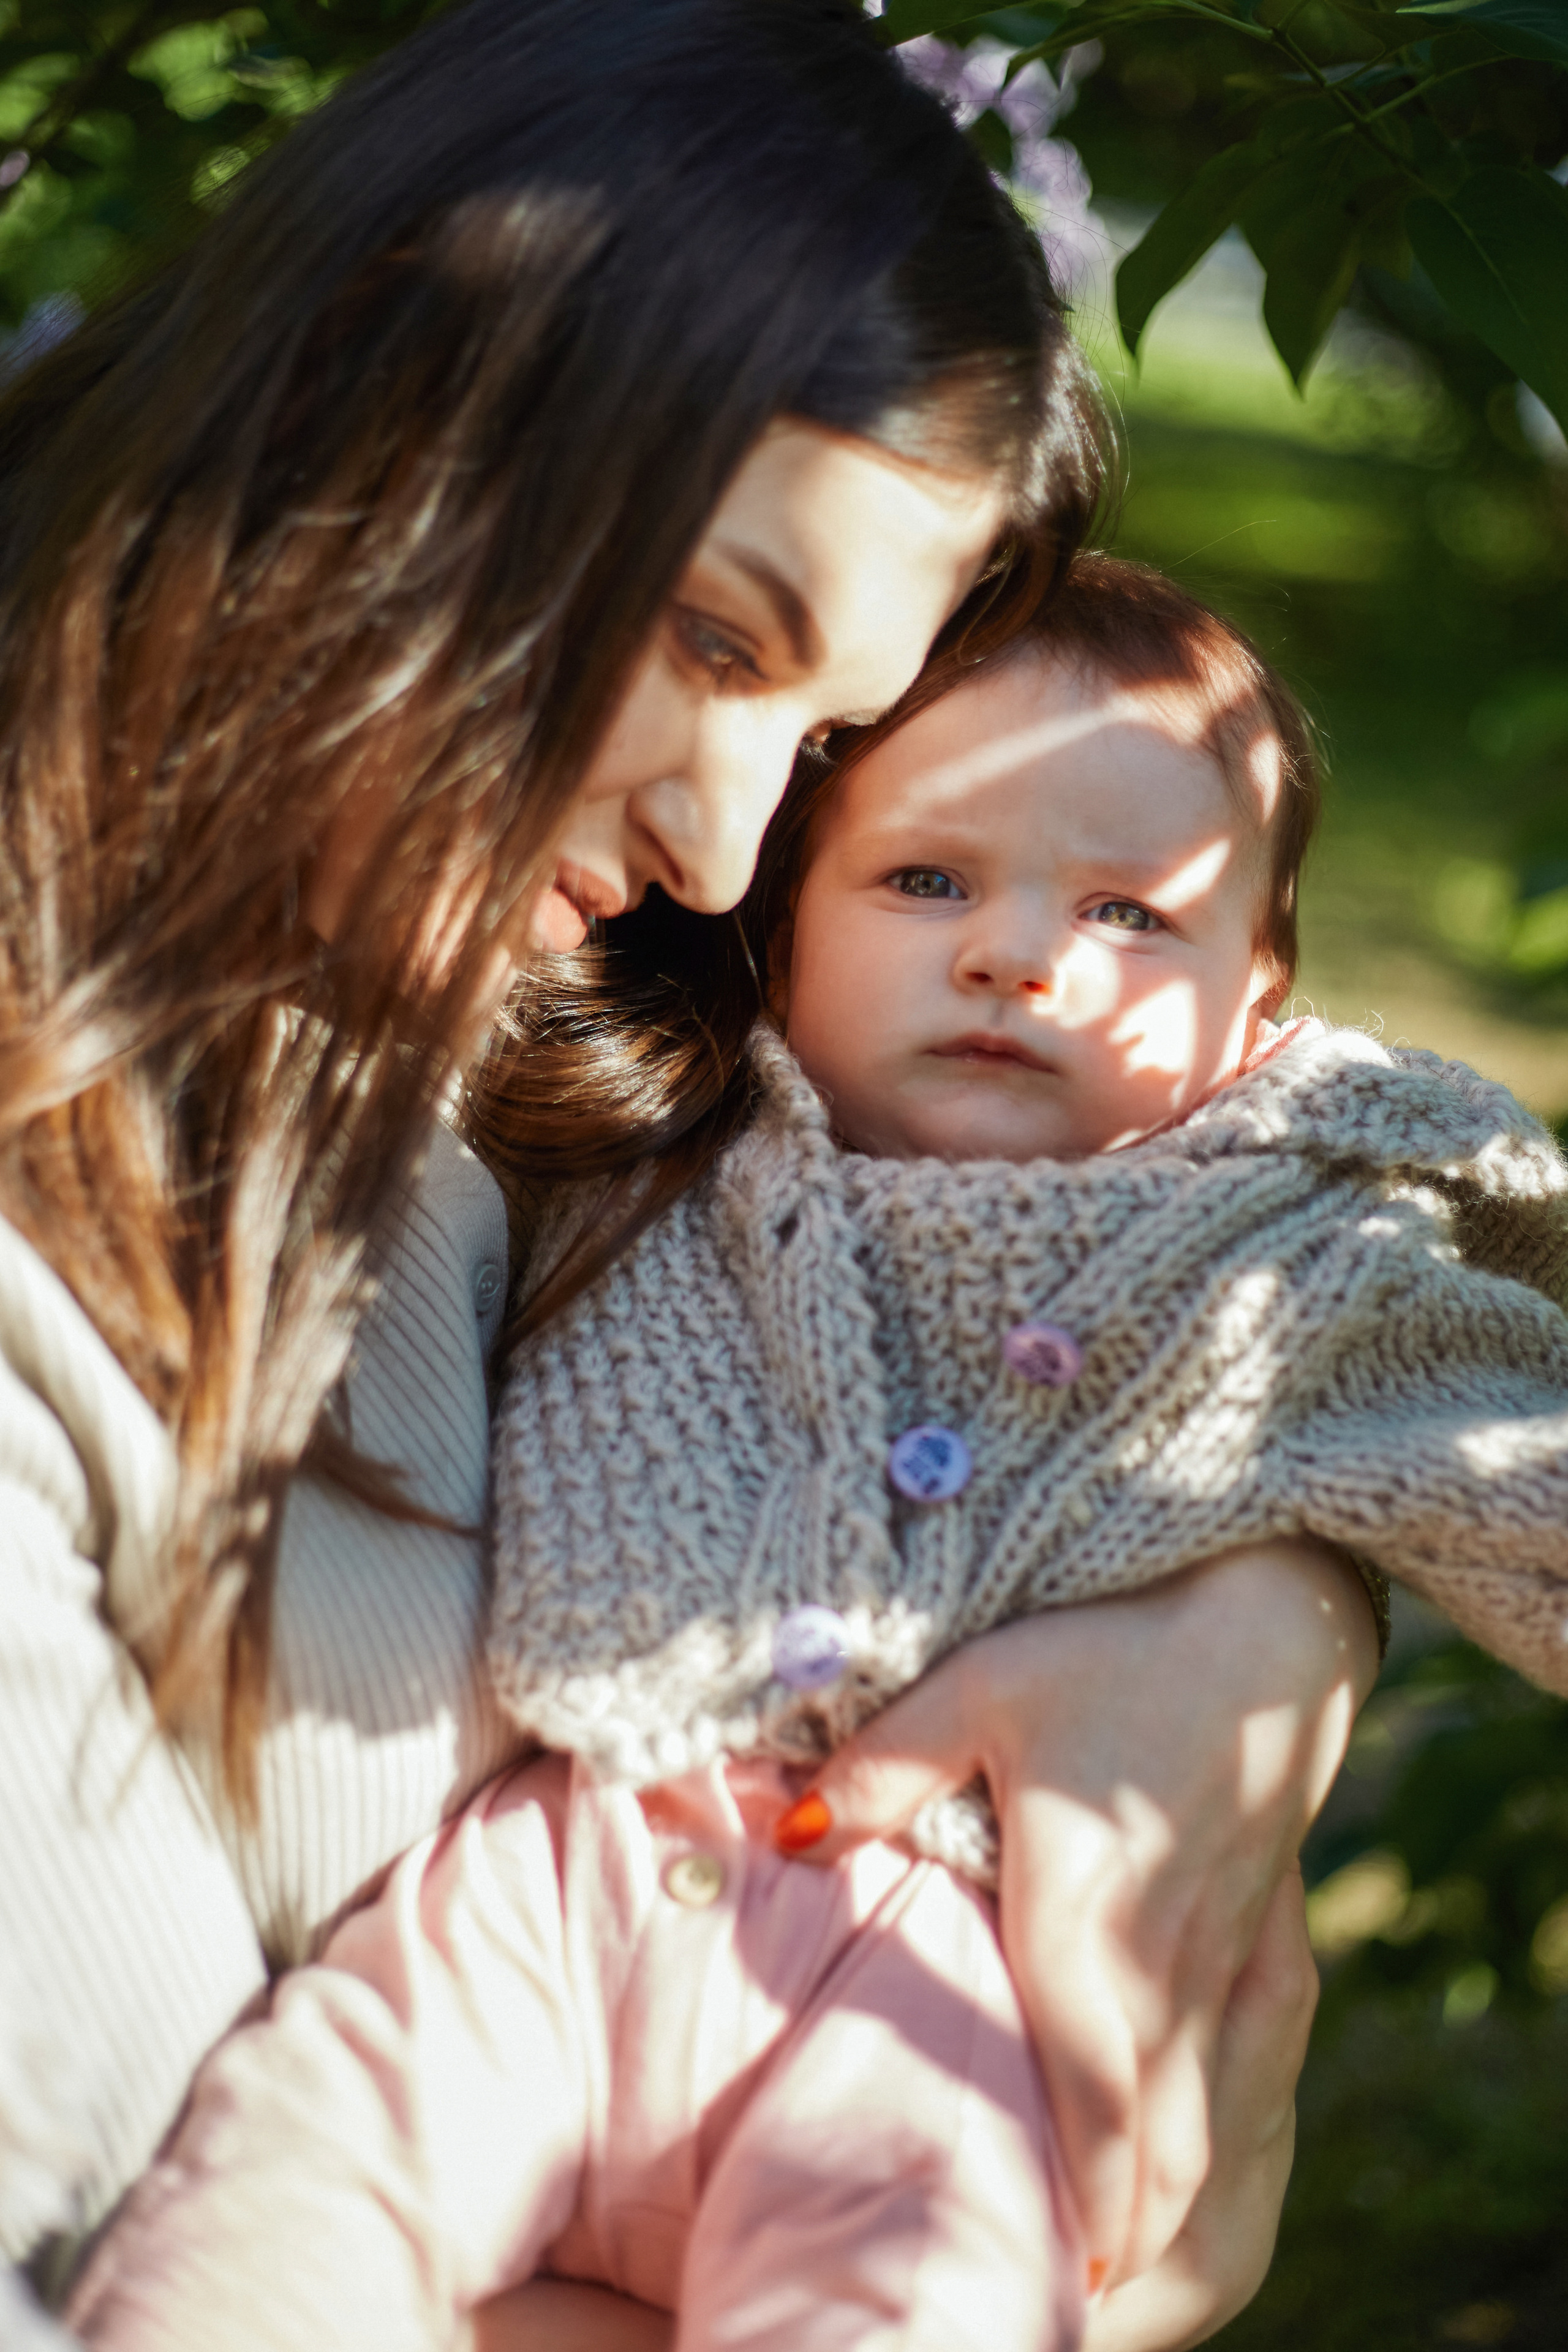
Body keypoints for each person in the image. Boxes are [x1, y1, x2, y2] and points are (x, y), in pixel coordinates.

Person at [0, 1, 1377, 2340]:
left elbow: (1261, 1221)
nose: (728, 843)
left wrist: (1238, 1619)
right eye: (705, 633)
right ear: (371, 403)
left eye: (825, 733)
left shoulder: (528, 1040)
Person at [72, 556, 1565, 2352]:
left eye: (1130, 914)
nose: (1018, 952)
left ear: (1259, 1006)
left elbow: (1520, 1466)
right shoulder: (636, 1160)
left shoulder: (1292, 1271)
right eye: (926, 879)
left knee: (905, 2297)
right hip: (549, 1891)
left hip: (942, 1982)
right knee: (273, 2214)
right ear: (783, 935)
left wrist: (1288, 1607)